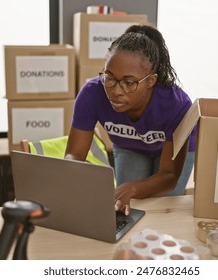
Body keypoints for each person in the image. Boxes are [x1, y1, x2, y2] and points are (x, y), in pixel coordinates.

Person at [65, 24, 196, 215]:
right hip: (129, 146)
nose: (116, 91)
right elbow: (74, 156)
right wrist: (71, 171)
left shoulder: (177, 104)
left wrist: (133, 188)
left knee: (159, 211)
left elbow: (169, 175)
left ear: (150, 81)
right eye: (109, 78)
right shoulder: (92, 94)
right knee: (128, 208)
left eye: (129, 83)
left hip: (170, 156)